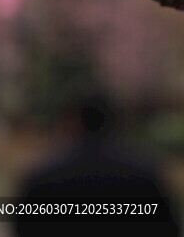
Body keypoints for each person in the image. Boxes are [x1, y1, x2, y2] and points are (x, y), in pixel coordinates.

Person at [14, 96, 179, 236]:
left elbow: (23, 227)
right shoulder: (144, 172)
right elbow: (168, 228)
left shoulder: (43, 175)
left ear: (73, 122)